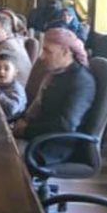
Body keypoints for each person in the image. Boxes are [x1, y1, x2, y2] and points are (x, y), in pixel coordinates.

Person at [12, 28, 95, 165]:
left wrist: (26, 130)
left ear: (65, 52)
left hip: (55, 145)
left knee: (5, 158)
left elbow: (65, 125)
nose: (42, 56)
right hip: (39, 135)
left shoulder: (82, 81)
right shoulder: (57, 73)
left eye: (47, 51)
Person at [0, 53, 27, 120]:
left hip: (10, 122)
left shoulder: (17, 89)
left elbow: (12, 109)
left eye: (6, 69)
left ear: (15, 73)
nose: (1, 71)